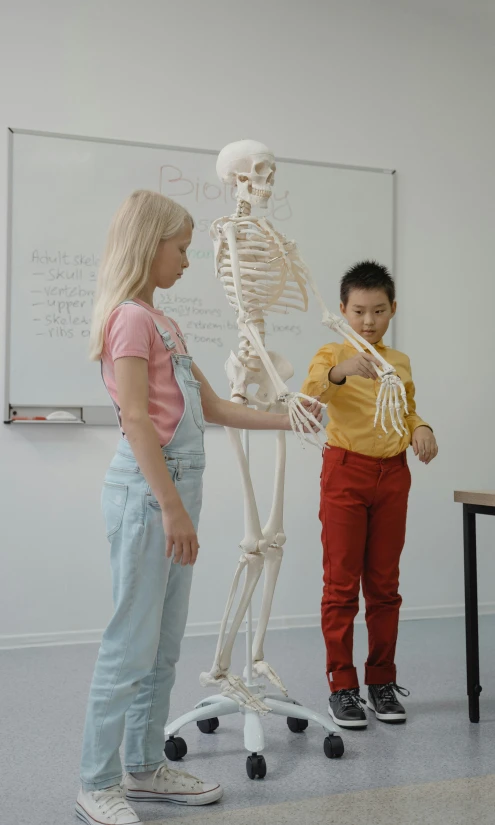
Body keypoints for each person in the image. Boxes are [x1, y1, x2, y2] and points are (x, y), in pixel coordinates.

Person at [77, 190, 320, 825]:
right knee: (129, 646)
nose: (188, 259)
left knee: (162, 647)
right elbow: (135, 418)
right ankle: (97, 782)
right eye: (181, 247)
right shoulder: (129, 318)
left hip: (176, 489)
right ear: (148, 244)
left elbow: (210, 409)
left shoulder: (165, 324)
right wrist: (171, 510)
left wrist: (287, 419)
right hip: (149, 493)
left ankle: (144, 765)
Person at [301, 260, 438, 730]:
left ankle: (381, 681)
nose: (368, 322)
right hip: (346, 472)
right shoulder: (331, 354)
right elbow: (312, 393)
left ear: (393, 310)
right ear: (342, 310)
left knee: (384, 586)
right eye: (358, 311)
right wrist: (342, 371)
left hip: (393, 473)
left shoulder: (399, 362)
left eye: (378, 311)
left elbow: (408, 408)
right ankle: (342, 686)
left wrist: (421, 427)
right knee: (341, 586)